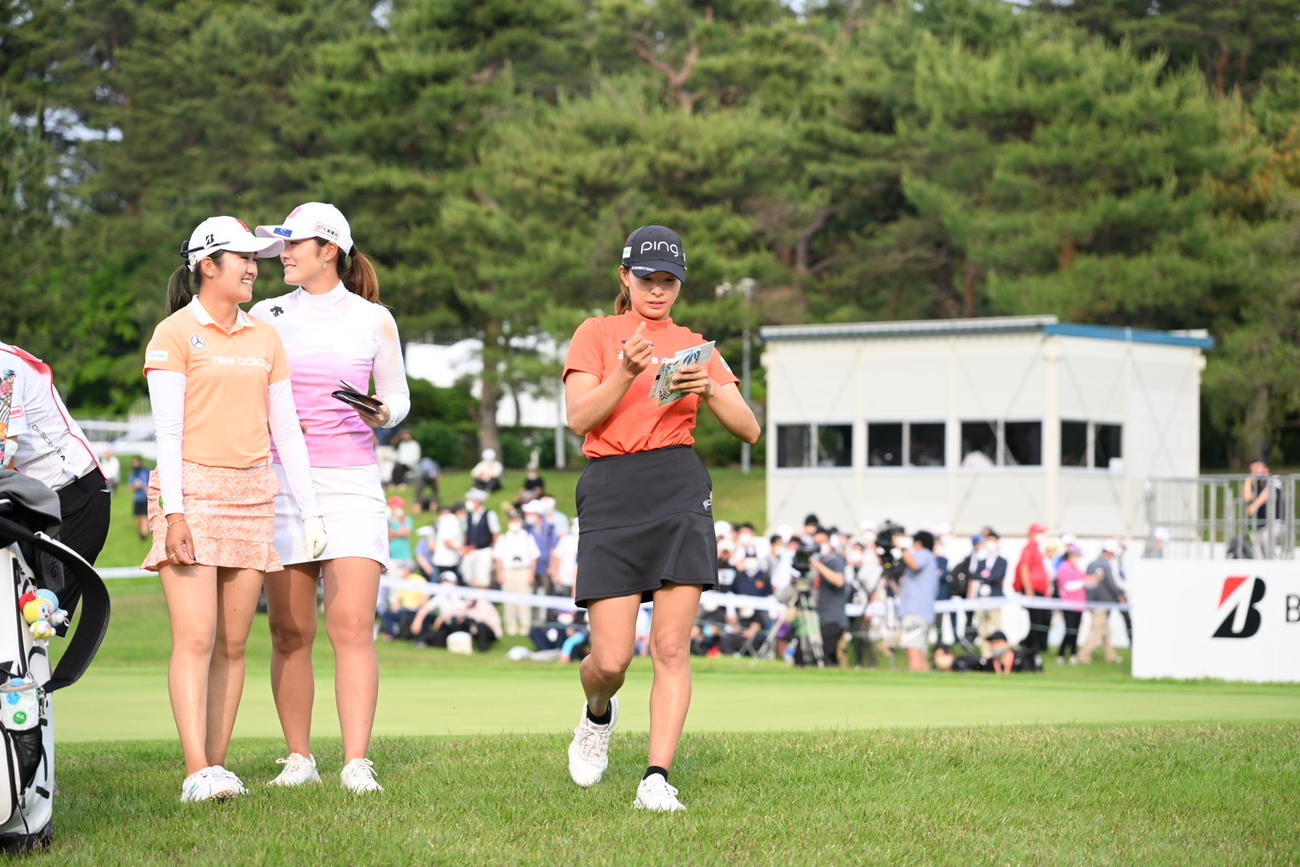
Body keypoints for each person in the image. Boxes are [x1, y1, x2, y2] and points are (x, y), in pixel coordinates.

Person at [560, 224, 759, 812]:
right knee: (612, 659)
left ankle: (655, 777)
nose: (657, 291)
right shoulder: (597, 333)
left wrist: (712, 389)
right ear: (625, 277)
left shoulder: (694, 344)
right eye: (647, 279)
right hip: (611, 487)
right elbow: (578, 419)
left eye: (668, 281)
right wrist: (624, 370)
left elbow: (749, 428)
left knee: (671, 647)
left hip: (677, 484)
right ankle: (598, 713)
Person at [143, 215, 326, 802]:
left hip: (252, 493)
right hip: (190, 491)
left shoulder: (264, 337)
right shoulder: (174, 334)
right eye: (241, 258)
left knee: (233, 643)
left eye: (257, 258)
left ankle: (216, 769)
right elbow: (167, 433)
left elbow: (287, 433)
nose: (254, 267)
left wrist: (311, 509)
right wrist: (173, 513)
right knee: (195, 637)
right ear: (207, 266)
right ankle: (195, 769)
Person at [250, 201, 410, 794]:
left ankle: (355, 761)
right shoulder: (265, 315)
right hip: (284, 481)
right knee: (290, 632)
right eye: (282, 244)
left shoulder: (375, 319)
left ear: (330, 251)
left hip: (351, 484)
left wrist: (383, 411)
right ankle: (299, 757)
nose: (283, 254)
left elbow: (398, 397)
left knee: (351, 624)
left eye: (295, 244)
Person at [0, 340, 111, 580]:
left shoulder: (3, 364)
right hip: (30, 504)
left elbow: (4, 452)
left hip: (70, 499)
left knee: (44, 612)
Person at [494, 508, 541, 636]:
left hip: (523, 571)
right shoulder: (504, 538)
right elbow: (498, 557)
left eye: (516, 520)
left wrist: (532, 574)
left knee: (524, 600)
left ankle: (525, 628)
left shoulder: (527, 537)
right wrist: (499, 573)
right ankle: (511, 627)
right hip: (508, 571)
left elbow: (533, 557)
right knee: (509, 601)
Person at [897, 530, 939, 672]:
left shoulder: (923, 555)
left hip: (915, 611)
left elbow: (914, 564)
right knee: (921, 652)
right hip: (923, 612)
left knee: (913, 650)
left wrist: (901, 547)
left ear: (918, 543)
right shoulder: (931, 558)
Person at [1079, 540, 1125, 664]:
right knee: (1098, 631)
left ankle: (1111, 656)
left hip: (1093, 602)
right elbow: (1110, 583)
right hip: (1102, 603)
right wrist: (1119, 595)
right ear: (1108, 552)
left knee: (1105, 631)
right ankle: (1083, 655)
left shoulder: (1091, 564)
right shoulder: (1105, 565)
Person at [807, 527, 848, 666]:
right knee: (812, 655)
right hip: (819, 616)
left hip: (833, 618)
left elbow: (839, 580)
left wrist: (817, 565)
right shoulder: (821, 561)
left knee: (827, 657)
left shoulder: (834, 560)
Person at [1014, 522, 1052, 654]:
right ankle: (1032, 646)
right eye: (1039, 532)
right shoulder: (1028, 549)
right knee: (1036, 619)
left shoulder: (1037, 549)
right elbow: (1024, 569)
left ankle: (1034, 644)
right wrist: (1029, 589)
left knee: (1042, 618)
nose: (1042, 535)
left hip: (1041, 590)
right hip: (1033, 589)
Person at [460, 488, 500, 588]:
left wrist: (495, 550)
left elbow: (495, 533)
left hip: (484, 550)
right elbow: (466, 532)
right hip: (471, 549)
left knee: (482, 578)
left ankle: (482, 601)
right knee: (468, 575)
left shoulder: (489, 514)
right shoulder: (469, 515)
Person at [1055, 544, 1088, 663]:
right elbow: (1068, 586)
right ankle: (1061, 654)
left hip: (1079, 605)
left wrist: (1091, 579)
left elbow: (1087, 581)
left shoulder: (1077, 568)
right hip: (1068, 605)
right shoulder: (1064, 568)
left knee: (1076, 630)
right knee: (1069, 630)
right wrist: (1083, 582)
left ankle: (1073, 653)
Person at [128, 456, 151, 540]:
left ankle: (144, 534)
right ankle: (141, 531)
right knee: (137, 517)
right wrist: (135, 486)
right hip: (137, 499)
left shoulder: (146, 472)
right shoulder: (133, 473)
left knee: (145, 516)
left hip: (146, 498)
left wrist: (143, 485)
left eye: (136, 462)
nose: (134, 464)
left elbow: (151, 485)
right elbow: (130, 487)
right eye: (133, 463)